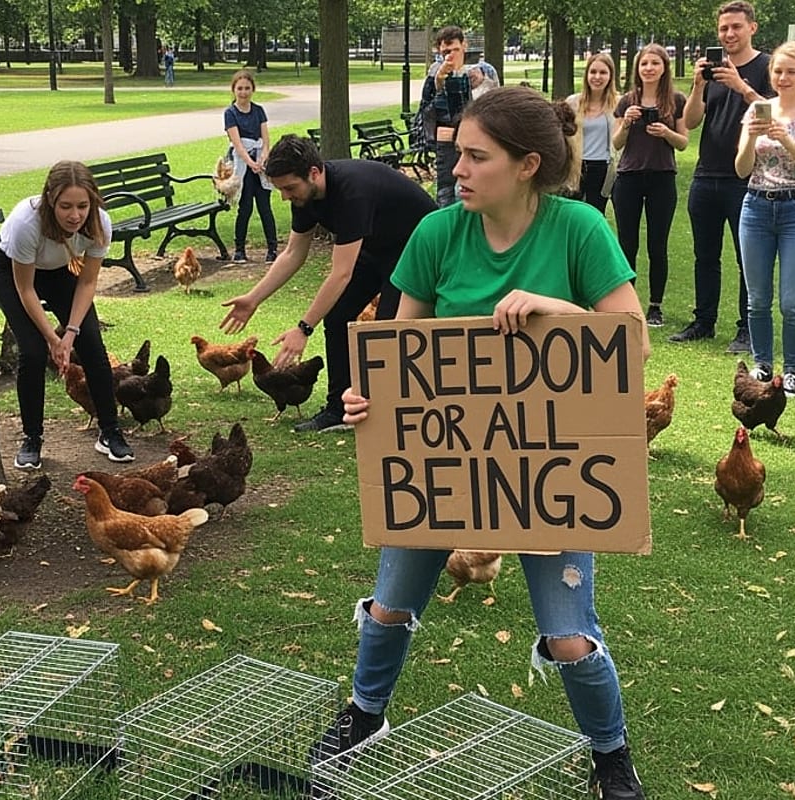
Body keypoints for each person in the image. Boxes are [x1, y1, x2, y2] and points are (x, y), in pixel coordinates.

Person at [312, 87, 649, 800]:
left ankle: (611, 755)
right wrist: (366, 399)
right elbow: (400, 356)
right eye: (456, 153)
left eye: (475, 156)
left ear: (527, 165)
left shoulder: (579, 229)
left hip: (549, 465)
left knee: (569, 636)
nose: (455, 168)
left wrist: (557, 310)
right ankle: (366, 714)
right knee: (388, 606)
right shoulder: (437, 233)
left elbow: (632, 342)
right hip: (442, 465)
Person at [219, 135, 436, 433]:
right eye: (280, 189)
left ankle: (392, 411)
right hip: (377, 249)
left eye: (289, 188)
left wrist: (303, 328)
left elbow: (341, 273)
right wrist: (254, 298)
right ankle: (339, 409)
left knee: (388, 331)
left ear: (314, 173)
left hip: (417, 251)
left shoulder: (351, 192)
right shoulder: (305, 196)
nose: (285, 197)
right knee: (337, 317)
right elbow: (293, 254)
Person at [0, 160, 134, 467]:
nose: (75, 215)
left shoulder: (99, 223)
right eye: (66, 206)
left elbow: (88, 281)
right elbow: (26, 289)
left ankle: (109, 431)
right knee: (31, 351)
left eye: (82, 206)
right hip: (14, 272)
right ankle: (32, 438)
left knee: (92, 345)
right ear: (51, 200)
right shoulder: (26, 224)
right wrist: (51, 340)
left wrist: (70, 332)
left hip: (58, 271)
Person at [734, 42, 795, 398]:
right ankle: (762, 364)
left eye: (792, 71)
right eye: (778, 71)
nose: (783, 77)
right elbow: (742, 168)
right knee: (757, 298)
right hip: (757, 206)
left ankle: (792, 371)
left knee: (792, 300)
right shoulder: (758, 110)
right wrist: (753, 138)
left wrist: (786, 139)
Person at [674, 0, 774, 353]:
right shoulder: (712, 72)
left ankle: (747, 328)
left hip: (745, 177)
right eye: (723, 29)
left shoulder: (766, 67)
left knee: (746, 256)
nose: (729, 34)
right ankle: (704, 321)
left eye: (736, 27)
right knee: (705, 255)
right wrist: (700, 86)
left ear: (752, 28)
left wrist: (741, 85)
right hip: (706, 175)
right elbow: (690, 121)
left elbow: (772, 113)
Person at [612, 44, 689, 328]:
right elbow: (616, 143)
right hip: (629, 177)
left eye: (655, 63)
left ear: (664, 67)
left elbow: (683, 142)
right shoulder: (626, 101)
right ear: (637, 68)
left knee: (657, 245)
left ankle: (655, 306)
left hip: (662, 177)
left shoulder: (676, 100)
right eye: (644, 64)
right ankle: (627, 303)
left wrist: (666, 132)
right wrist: (628, 123)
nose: (649, 69)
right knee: (626, 244)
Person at [419, 26, 499, 207]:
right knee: (446, 191)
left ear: (464, 45)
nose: (450, 55)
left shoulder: (483, 70)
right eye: (445, 51)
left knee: (479, 184)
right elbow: (427, 110)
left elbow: (493, 103)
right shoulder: (435, 72)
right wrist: (440, 84)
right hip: (447, 140)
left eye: (455, 49)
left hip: (479, 136)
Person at [224, 70, 278, 264]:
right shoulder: (230, 113)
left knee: (265, 207)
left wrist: (263, 158)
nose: (244, 92)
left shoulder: (258, 110)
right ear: (234, 90)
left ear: (253, 89)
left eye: (247, 88)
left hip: (259, 162)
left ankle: (272, 248)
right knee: (245, 207)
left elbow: (265, 138)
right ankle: (239, 249)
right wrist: (251, 163)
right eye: (240, 88)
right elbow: (237, 143)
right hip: (243, 163)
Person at [565, 53, 619, 214]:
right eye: (593, 72)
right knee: (572, 213)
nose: (597, 77)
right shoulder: (573, 103)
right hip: (576, 166)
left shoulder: (619, 103)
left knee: (596, 213)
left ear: (610, 76)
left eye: (603, 73)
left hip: (603, 167)